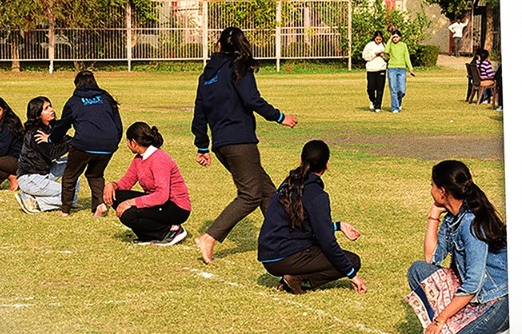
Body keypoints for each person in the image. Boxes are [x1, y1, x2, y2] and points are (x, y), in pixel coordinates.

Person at [191, 26, 297, 265]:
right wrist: (280, 117)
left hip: (221, 145)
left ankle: (285, 238)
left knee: (267, 192)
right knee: (250, 195)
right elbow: (252, 99)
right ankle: (209, 236)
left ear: (219, 45)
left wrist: (202, 146)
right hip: (240, 142)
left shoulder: (206, 75)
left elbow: (200, 112)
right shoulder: (239, 67)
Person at [406, 160, 509, 334]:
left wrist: (440, 319)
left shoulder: (471, 224)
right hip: (474, 295)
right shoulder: (453, 218)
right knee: (418, 270)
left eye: (432, 185)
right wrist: (433, 215)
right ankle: (460, 328)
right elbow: (431, 258)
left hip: (495, 300)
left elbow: (473, 284)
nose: (430, 189)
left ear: (443, 191)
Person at [257, 138, 365, 293]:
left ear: (301, 160)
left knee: (319, 246)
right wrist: (352, 275)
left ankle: (292, 277)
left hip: (268, 256)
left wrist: (338, 226)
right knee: (352, 261)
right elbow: (327, 242)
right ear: (327, 164)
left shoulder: (289, 183)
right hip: (286, 257)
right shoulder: (317, 195)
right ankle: (297, 279)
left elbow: (303, 223)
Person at [50, 68, 123, 216]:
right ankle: (100, 205)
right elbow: (118, 124)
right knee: (95, 174)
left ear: (77, 84)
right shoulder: (106, 98)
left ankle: (65, 210)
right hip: (108, 145)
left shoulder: (74, 101)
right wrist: (113, 143)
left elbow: (64, 124)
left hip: (84, 143)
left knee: (70, 175)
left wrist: (51, 139)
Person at [104, 123, 191, 246]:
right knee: (116, 196)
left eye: (127, 141)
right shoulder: (139, 159)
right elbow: (126, 182)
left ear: (133, 142)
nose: (127, 145)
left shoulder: (159, 159)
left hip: (175, 207)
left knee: (128, 215)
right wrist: (112, 185)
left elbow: (162, 196)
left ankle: (170, 231)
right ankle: (147, 236)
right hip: (158, 202)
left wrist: (130, 203)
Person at [13, 97, 66, 212]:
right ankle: (35, 202)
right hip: (30, 178)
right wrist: (73, 143)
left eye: (50, 106)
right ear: (37, 115)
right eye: (46, 108)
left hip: (44, 173)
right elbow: (52, 153)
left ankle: (66, 200)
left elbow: (66, 140)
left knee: (74, 161)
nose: (52, 110)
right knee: (68, 193)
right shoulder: (35, 133)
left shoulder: (50, 128)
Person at [385, 25, 414, 113]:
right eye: (393, 37)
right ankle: (395, 108)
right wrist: (389, 40)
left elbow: (407, 57)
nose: (395, 39)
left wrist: (410, 69)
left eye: (397, 37)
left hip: (401, 69)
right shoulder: (390, 45)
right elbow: (386, 51)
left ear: (400, 38)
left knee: (402, 90)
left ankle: (398, 102)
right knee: (393, 89)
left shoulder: (403, 45)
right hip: (392, 68)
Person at [362, 30, 388, 112]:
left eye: (380, 40)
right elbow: (365, 56)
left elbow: (388, 58)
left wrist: (383, 55)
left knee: (380, 88)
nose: (378, 41)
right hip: (371, 69)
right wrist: (374, 54)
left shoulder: (385, 45)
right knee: (370, 88)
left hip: (381, 69)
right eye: (377, 39)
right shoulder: (369, 45)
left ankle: (378, 106)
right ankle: (373, 100)